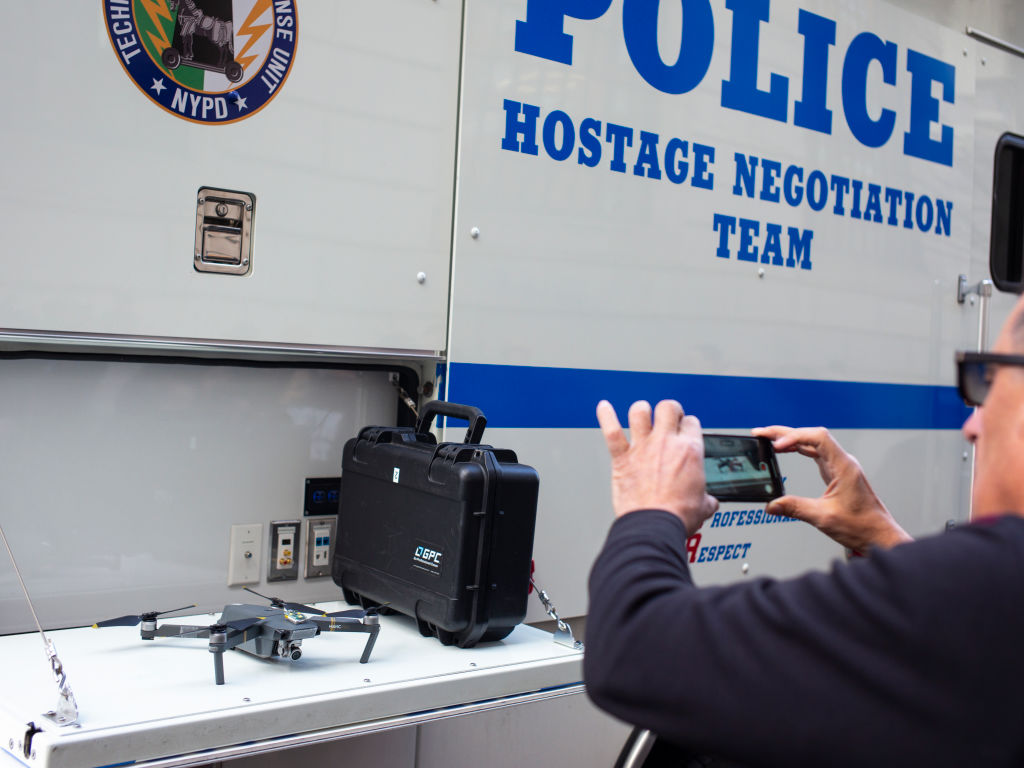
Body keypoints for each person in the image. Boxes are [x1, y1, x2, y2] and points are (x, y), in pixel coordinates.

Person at [584, 297, 1024, 767]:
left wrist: (650, 510)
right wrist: (884, 538)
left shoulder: (996, 585)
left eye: (987, 382)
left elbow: (637, 653)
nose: (971, 426)